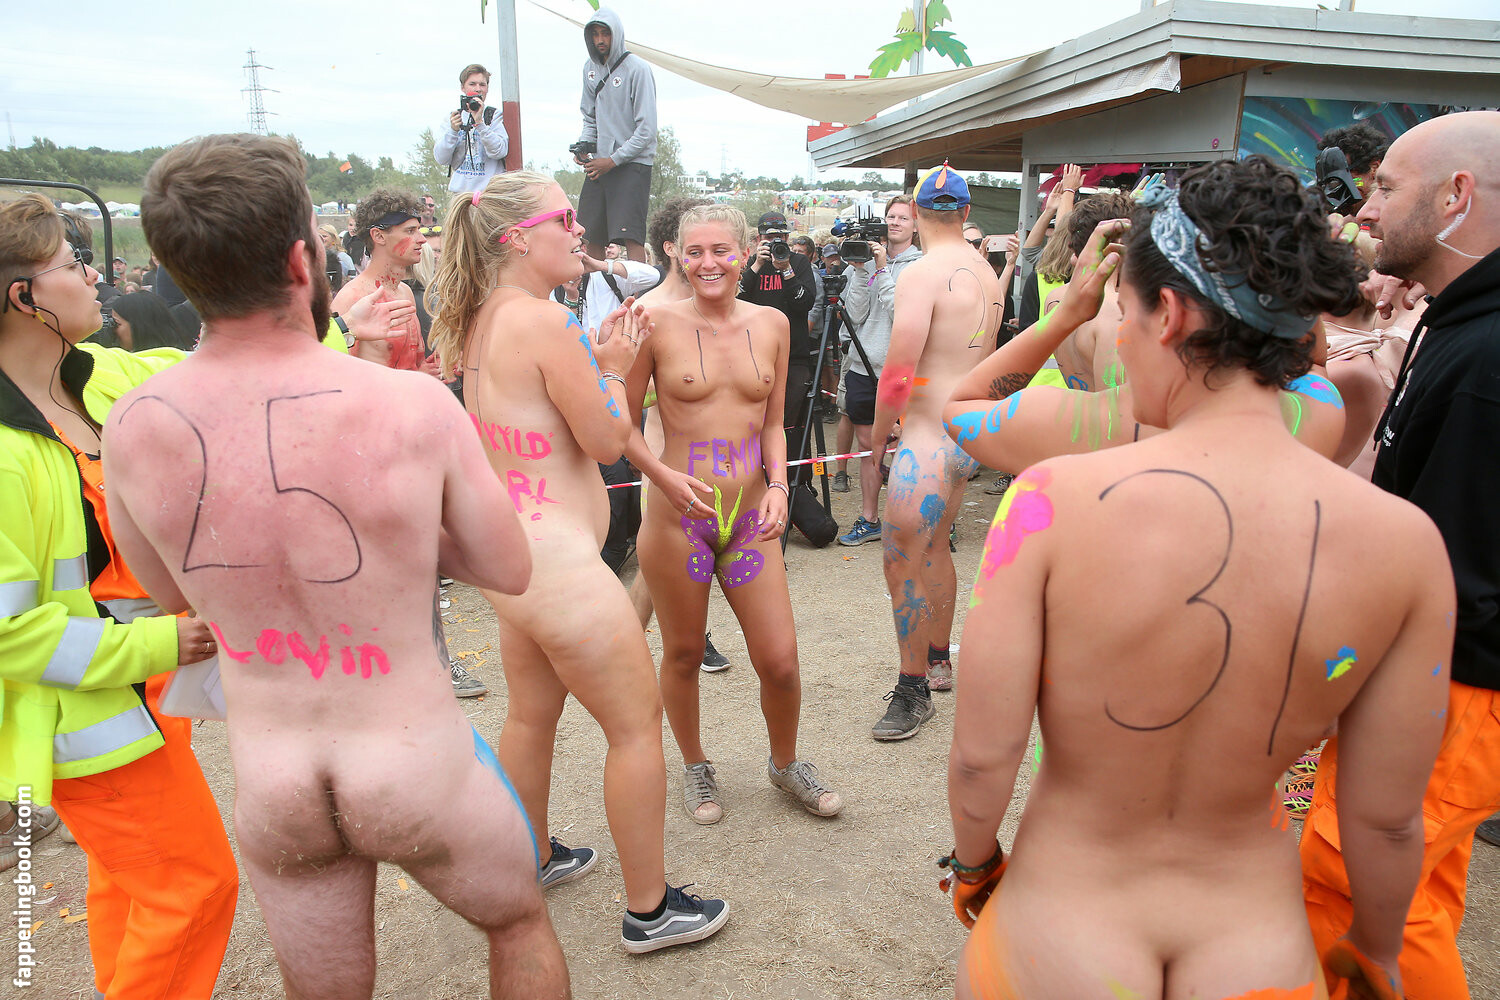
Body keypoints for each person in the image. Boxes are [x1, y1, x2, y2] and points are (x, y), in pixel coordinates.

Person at [944, 156, 1453, 1000]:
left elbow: (981, 758)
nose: (1121, 337)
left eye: (1127, 313)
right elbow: (1388, 818)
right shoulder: (1404, 544)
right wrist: (1375, 948)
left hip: (1060, 933)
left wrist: (974, 865)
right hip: (1254, 947)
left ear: (1171, 314)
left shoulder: (1051, 504)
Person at [104, 133, 567, 997]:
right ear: (301, 259)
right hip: (412, 757)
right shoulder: (410, 403)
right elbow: (507, 567)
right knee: (516, 924)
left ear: (176, 268)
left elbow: (170, 593)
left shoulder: (133, 425)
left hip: (276, 778)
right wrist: (399, 539)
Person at [427, 170, 729, 953]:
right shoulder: (545, 319)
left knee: (532, 716)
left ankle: (531, 856)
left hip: (514, 562)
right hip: (559, 566)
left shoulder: (484, 318)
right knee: (635, 727)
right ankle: (651, 910)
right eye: (564, 219)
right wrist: (615, 365)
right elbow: (603, 439)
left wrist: (592, 361)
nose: (579, 230)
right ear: (516, 238)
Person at [0, 193, 238, 1000]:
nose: (94, 275)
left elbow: (204, 368)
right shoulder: (4, 454)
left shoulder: (90, 377)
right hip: (84, 718)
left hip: (136, 696)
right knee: (192, 889)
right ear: (25, 297)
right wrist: (163, 643)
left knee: (131, 884)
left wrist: (328, 325)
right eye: (73, 264)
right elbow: (10, 633)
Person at [1301, 110, 1500, 1000]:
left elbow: (1456, 571)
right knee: (1416, 889)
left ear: (1456, 197)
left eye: (1385, 186)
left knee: (1359, 888)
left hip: (1447, 685)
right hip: (1441, 680)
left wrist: (1350, 670)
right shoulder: (1460, 320)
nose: (1364, 211)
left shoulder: (1486, 354)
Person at [623, 204, 844, 825]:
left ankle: (785, 763)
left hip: (751, 518)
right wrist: (661, 477)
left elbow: (773, 423)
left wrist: (780, 486)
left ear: (744, 253)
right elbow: (622, 424)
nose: (708, 264)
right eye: (694, 251)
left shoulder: (773, 323)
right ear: (674, 253)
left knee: (780, 659)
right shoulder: (652, 323)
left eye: (721, 250)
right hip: (680, 519)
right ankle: (695, 765)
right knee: (683, 653)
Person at [867, 164, 1001, 738]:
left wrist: (878, 437)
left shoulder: (922, 274)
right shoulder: (986, 272)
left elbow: (899, 371)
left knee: (900, 559)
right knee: (937, 547)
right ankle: (939, 658)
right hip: (967, 433)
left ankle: (912, 686)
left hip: (926, 438)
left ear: (918, 214)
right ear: (966, 212)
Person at [837, 195, 921, 546]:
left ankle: (909, 520)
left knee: (907, 446)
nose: (895, 222)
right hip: (861, 366)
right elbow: (854, 314)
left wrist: (883, 269)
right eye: (891, 216)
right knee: (867, 446)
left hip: (902, 371)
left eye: (903, 217)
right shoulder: (862, 261)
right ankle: (870, 518)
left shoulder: (920, 267)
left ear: (916, 225)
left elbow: (902, 314)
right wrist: (861, 270)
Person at [740, 212, 817, 484]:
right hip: (753, 356)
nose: (776, 242)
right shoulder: (753, 264)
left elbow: (805, 302)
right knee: (754, 421)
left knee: (788, 423)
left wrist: (786, 269)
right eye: (770, 237)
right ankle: (755, 479)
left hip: (793, 357)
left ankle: (791, 481)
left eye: (781, 237)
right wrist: (756, 266)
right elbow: (736, 297)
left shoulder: (798, 262)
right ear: (759, 238)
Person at [574, 7, 657, 263]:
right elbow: (590, 117)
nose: (600, 40)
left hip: (632, 163)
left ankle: (637, 287)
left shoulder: (638, 69)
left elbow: (646, 130)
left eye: (605, 34)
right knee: (590, 234)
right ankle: (594, 286)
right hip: (600, 163)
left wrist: (612, 160)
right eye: (595, 34)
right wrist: (584, 145)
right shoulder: (589, 68)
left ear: (616, 34)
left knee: (631, 236)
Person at [333, 188, 431, 373]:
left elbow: (412, 367)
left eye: (418, 230)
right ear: (378, 236)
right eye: (410, 231)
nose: (422, 239)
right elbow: (339, 376)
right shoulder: (352, 298)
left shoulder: (405, 292)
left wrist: (430, 369)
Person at [434, 63, 510, 195]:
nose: (478, 89)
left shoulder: (494, 116)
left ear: (487, 88)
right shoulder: (454, 117)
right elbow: (441, 158)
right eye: (472, 84)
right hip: (460, 195)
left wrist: (480, 124)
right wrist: (453, 131)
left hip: (489, 194)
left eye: (482, 84)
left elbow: (499, 151)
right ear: (463, 87)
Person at [108, 289, 197, 352]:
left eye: (116, 323)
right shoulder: (181, 356)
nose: (113, 330)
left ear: (140, 326)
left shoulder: (141, 366)